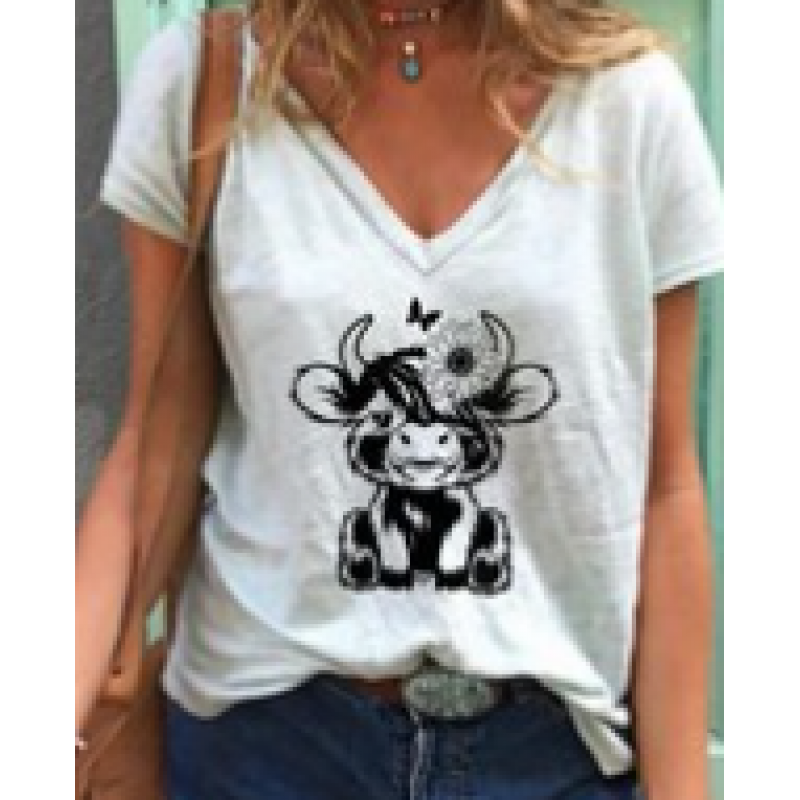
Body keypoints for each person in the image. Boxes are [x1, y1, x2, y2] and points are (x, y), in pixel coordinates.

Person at [76, 1, 723, 798]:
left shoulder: (630, 102)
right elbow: (153, 447)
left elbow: (666, 488)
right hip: (268, 746)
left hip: (550, 756)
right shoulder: (204, 85)